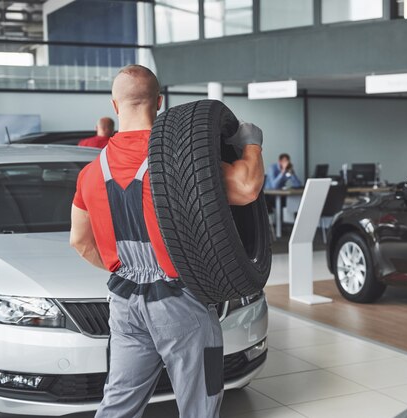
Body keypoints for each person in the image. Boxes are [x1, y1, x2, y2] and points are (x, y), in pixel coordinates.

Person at [69, 64, 264, 418]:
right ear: (159, 102)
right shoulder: (180, 162)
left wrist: (126, 271)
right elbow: (247, 186)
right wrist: (250, 144)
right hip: (179, 301)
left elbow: (80, 242)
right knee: (199, 406)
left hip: (123, 301)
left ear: (115, 106)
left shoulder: (90, 172)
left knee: (117, 404)